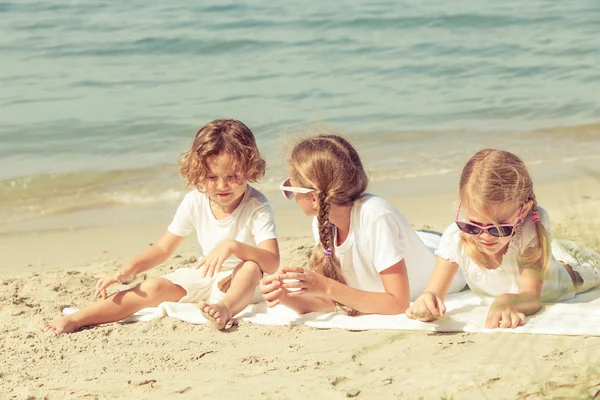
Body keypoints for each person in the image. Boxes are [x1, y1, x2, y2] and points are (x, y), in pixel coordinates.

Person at [41, 119, 279, 333]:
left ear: (249, 168)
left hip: (245, 287)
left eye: (232, 176)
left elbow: (271, 261)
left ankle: (224, 310)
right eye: (212, 177)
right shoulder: (195, 201)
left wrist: (232, 246)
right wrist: (125, 271)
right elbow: (162, 249)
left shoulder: (256, 205)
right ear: (198, 172)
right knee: (153, 287)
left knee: (249, 267)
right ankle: (77, 319)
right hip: (204, 277)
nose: (222, 185)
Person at [260, 134, 465, 315]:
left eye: (290, 187)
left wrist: (326, 287)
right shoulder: (323, 223)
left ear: (314, 198)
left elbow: (398, 303)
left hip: (442, 256)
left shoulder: (375, 216)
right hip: (407, 243)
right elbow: (336, 304)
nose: (290, 194)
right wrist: (284, 296)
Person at [406, 149, 600, 329]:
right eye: (473, 225)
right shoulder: (455, 237)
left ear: (523, 210)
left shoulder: (529, 229)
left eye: (499, 229)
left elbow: (532, 296)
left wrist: (507, 300)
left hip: (574, 274)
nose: (484, 236)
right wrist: (426, 302)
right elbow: (432, 293)